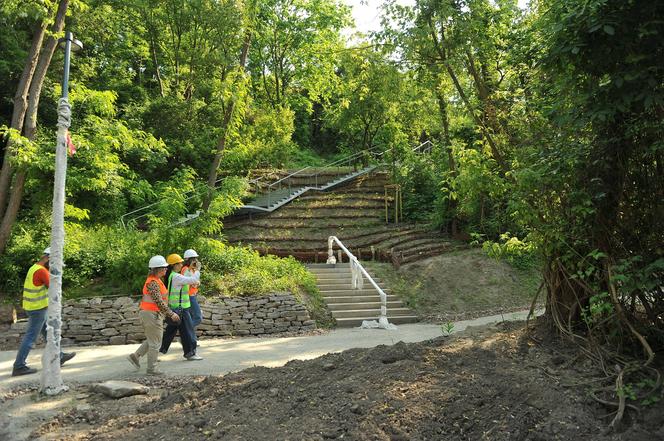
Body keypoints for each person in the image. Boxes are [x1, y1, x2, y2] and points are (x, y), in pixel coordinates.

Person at [12, 247, 76, 376]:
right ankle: (19, 366)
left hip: (33, 307)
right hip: (38, 309)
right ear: (48, 258)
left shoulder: (34, 267)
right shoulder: (42, 271)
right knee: (30, 337)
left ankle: (59, 356)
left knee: (49, 334)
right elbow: (55, 287)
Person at [126, 255, 181, 375]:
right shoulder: (153, 283)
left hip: (152, 314)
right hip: (152, 314)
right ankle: (152, 369)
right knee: (155, 342)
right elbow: (159, 301)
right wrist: (171, 314)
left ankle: (135, 356)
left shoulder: (156, 281)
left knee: (153, 339)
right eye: (164, 268)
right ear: (158, 269)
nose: (166, 269)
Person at [159, 253, 202, 360]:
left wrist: (191, 269)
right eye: (180, 263)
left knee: (170, 332)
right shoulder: (177, 277)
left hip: (176, 308)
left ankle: (158, 351)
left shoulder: (172, 275)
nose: (182, 264)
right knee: (188, 331)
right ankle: (190, 354)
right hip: (181, 308)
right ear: (174, 265)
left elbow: (188, 278)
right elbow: (192, 280)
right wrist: (197, 270)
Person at [181, 249, 202, 328]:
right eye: (194, 259)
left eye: (196, 258)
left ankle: (188, 335)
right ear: (188, 260)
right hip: (189, 296)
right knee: (198, 317)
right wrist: (195, 282)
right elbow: (189, 281)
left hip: (192, 295)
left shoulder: (192, 269)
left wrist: (196, 282)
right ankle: (185, 330)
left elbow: (196, 282)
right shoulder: (186, 269)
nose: (196, 260)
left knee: (191, 318)